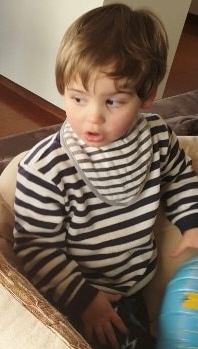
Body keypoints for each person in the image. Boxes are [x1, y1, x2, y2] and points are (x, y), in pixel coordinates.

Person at [13, 4, 198, 349]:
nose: (92, 117)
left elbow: (178, 176)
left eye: (113, 102)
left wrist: (191, 221)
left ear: (147, 97)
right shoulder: (46, 169)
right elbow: (37, 248)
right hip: (75, 296)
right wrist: (85, 301)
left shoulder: (157, 137)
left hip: (137, 286)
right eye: (78, 98)